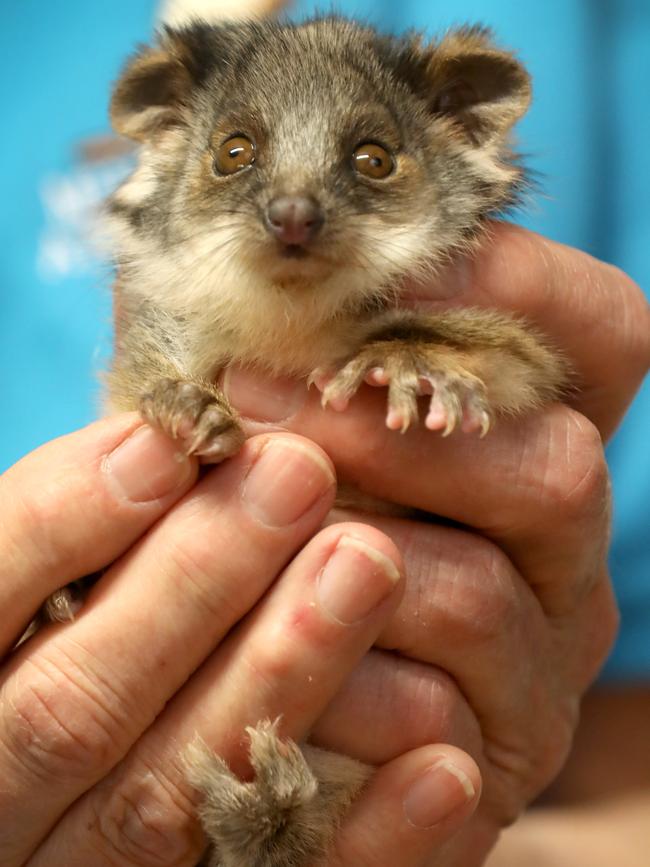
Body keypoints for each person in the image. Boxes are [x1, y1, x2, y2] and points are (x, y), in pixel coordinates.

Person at [0, 2, 648, 866]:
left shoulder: (600, 35)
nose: (294, 206)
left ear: (456, 132)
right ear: (167, 134)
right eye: (237, 155)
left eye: (371, 160)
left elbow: (622, 779)